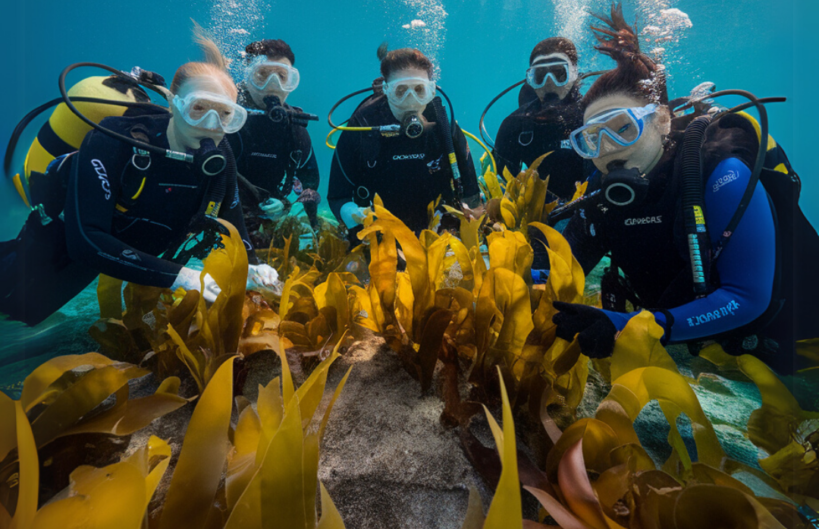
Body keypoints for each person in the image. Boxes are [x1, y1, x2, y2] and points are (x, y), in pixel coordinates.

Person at [551, 4, 818, 376]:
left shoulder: (720, 172)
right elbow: (562, 268)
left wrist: (627, 325)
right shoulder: (602, 192)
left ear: (661, 122)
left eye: (623, 128)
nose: (607, 149)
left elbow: (747, 298)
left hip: (799, 344)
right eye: (590, 140)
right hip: (710, 346)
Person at [0, 28, 279, 326]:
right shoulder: (115, 141)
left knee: (27, 312)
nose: (211, 125)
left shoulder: (222, 160)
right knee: (15, 299)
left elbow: (234, 224)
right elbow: (85, 242)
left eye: (225, 114)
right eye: (198, 108)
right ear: (174, 104)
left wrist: (252, 266)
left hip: (126, 253)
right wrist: (180, 277)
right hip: (61, 236)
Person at [328, 46, 481, 238]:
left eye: (419, 90)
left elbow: (472, 194)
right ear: (386, 90)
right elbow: (337, 196)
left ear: (431, 91)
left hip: (439, 226)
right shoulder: (362, 126)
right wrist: (356, 218)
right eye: (400, 91)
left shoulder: (443, 125)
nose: (411, 101)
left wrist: (471, 222)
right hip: (378, 231)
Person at [231, 39, 321, 244]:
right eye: (262, 75)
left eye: (282, 77)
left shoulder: (295, 131)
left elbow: (309, 182)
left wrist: (285, 205)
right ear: (247, 77)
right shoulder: (223, 117)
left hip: (268, 215)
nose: (273, 86)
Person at [492, 36, 588, 202]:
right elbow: (503, 185)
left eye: (559, 74)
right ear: (531, 80)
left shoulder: (595, 118)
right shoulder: (514, 126)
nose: (549, 83)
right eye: (540, 75)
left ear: (574, 74)